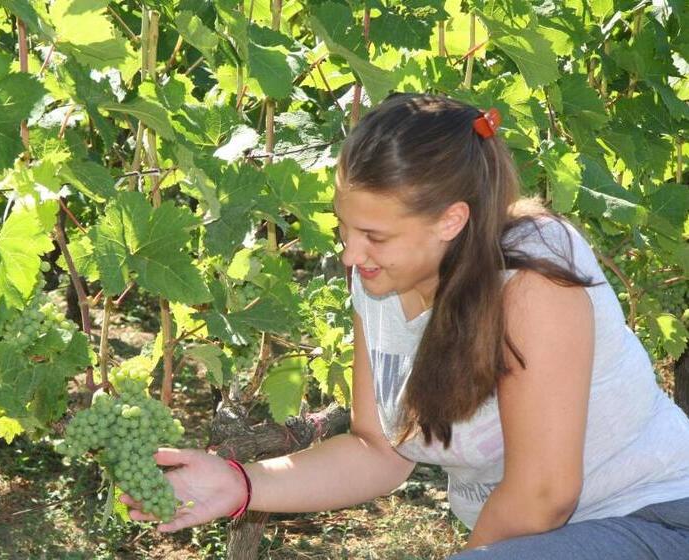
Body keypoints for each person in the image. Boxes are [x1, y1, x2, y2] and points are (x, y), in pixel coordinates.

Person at [120, 93, 689, 558]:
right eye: (345, 228)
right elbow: (378, 451)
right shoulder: (381, 282)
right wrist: (238, 484)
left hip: (655, 520)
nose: (350, 254)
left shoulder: (533, 276)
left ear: (451, 220)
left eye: (376, 236)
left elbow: (544, 497)